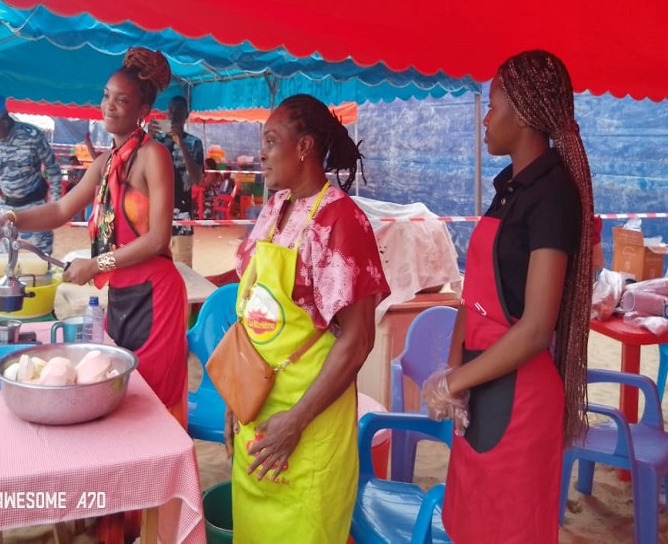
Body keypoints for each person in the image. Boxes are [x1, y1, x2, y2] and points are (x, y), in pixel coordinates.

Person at [422, 49, 594, 543]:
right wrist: (455, 370)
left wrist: (457, 381)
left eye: (493, 106)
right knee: (468, 525)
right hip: (483, 387)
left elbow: (536, 328)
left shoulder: (552, 195)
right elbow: (473, 296)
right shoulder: (511, 188)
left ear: (521, 113)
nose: (485, 118)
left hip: (521, 402)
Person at [0, 49, 189, 423]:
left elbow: (157, 240)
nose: (109, 106)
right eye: (106, 95)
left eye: (122, 100)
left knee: (153, 403)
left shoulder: (154, 156)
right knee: (121, 396)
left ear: (142, 110)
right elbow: (59, 210)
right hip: (122, 294)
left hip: (157, 294)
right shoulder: (105, 164)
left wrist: (96, 264)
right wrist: (6, 218)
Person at [225, 94, 390, 542]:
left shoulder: (341, 220)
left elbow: (358, 340)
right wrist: (237, 396)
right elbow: (254, 307)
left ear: (304, 147)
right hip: (259, 419)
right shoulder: (274, 207)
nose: (261, 153)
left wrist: (295, 421)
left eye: (271, 141)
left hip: (307, 429)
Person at [0, 96, 62, 255]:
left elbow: (53, 167)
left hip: (34, 208)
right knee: (1, 260)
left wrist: (55, 203)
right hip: (6, 208)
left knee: (41, 257)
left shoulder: (31, 135)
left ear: (4, 123)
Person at [148, 96, 203, 267]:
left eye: (178, 113)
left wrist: (182, 144)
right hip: (154, 220)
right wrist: (147, 138)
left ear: (186, 115)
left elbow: (197, 179)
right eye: (170, 111)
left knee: (183, 272)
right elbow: (140, 170)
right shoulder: (155, 141)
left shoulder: (194, 143)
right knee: (155, 270)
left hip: (182, 221)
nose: (173, 116)